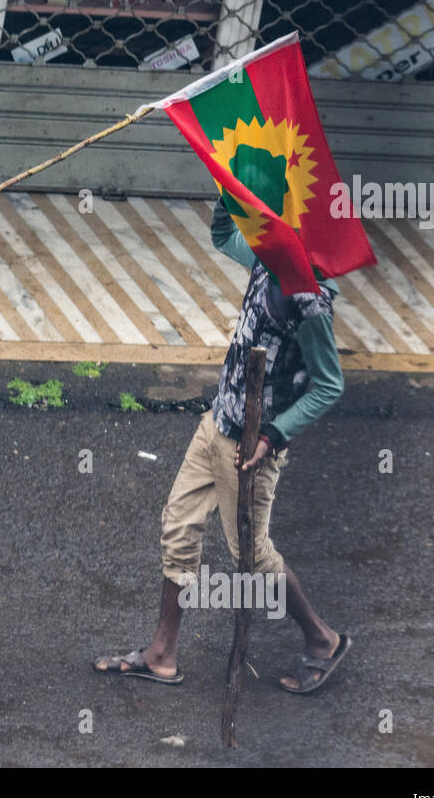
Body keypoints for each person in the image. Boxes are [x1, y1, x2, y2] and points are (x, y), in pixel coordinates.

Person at [95, 194, 351, 694]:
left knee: (252, 559)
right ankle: (162, 654)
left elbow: (329, 386)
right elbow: (220, 235)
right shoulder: (264, 257)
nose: (264, 224)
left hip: (252, 449)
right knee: (179, 528)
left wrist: (273, 436)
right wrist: (227, 183)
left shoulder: (310, 299)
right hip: (217, 424)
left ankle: (322, 640)